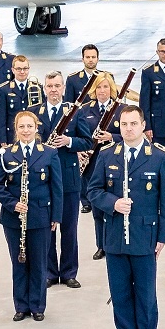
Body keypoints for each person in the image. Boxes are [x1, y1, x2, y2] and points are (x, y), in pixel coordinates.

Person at [87, 106, 165, 329]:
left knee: (146, 294)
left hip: (145, 235)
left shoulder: (159, 156)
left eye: (133, 124)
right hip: (115, 236)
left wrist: (163, 236)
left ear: (142, 125)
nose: (128, 128)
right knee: (120, 293)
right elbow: (93, 190)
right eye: (124, 124)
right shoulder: (107, 155)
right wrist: (112, 203)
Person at [0, 110, 60, 323]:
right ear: (16, 130)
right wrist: (13, 204)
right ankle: (21, 305)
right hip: (14, 218)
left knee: (39, 262)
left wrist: (56, 216)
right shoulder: (6, 154)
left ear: (36, 128)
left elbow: (56, 187)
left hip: (41, 215)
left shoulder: (49, 153)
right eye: (21, 127)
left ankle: (37, 305)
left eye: (29, 126)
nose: (26, 131)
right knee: (19, 262)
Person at [32, 72, 86, 289]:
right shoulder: (36, 112)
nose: (53, 90)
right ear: (44, 89)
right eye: (49, 86)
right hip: (44, 179)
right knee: (48, 228)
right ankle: (50, 272)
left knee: (69, 228)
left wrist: (69, 140)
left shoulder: (73, 111)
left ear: (63, 88)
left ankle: (69, 271)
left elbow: (87, 141)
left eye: (57, 86)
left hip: (68, 178)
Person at [68, 72, 119, 261]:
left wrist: (112, 137)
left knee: (112, 205)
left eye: (106, 87)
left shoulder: (119, 109)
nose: (102, 91)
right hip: (93, 164)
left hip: (115, 165)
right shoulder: (85, 110)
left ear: (111, 89)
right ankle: (101, 245)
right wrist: (80, 150)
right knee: (98, 208)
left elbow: (131, 135)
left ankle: (113, 243)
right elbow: (81, 136)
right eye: (98, 87)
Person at [0, 55, 44, 155]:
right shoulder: (4, 90)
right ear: (13, 70)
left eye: (25, 68)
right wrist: (2, 139)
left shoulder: (36, 87)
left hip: (32, 134)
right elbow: (0, 117)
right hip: (12, 135)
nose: (22, 72)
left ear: (29, 69)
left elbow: (42, 113)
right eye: (19, 69)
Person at [140, 38, 165, 144]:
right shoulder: (149, 72)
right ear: (157, 52)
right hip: (158, 127)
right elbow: (144, 102)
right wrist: (147, 126)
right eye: (162, 51)